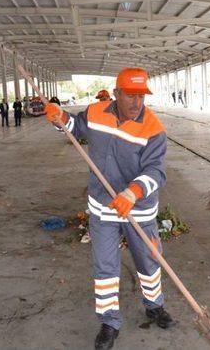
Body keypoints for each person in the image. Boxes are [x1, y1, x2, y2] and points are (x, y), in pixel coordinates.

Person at [44, 68, 174, 350]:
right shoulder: (95, 113)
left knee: (149, 262)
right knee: (105, 267)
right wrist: (59, 117)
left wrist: (133, 191)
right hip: (103, 208)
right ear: (116, 94)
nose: (137, 103)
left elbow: (156, 171)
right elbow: (75, 127)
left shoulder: (153, 128)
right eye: (130, 95)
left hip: (138, 210)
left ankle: (154, 306)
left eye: (141, 96)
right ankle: (109, 322)